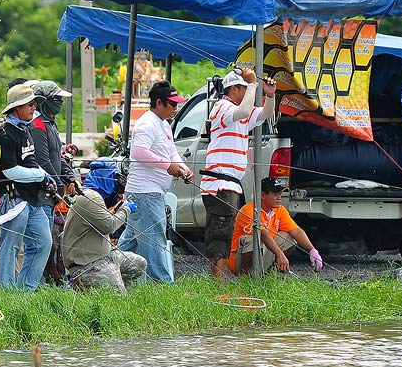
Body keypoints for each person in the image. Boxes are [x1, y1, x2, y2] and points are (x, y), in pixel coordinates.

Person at [201, 68, 277, 283]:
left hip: (230, 183)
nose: (248, 94)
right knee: (220, 231)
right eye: (245, 89)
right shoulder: (223, 107)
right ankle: (218, 283)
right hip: (219, 183)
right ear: (234, 89)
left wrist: (269, 95)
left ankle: (219, 281)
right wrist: (254, 84)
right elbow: (245, 112)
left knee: (225, 230)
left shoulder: (238, 111)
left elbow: (264, 114)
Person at [117, 80, 194, 284]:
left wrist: (183, 169)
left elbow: (171, 153)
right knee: (154, 240)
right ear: (159, 103)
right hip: (145, 193)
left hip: (149, 193)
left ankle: (104, 273)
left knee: (130, 243)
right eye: (172, 104)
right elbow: (139, 152)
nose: (175, 108)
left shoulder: (164, 125)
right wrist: (167, 166)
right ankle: (163, 286)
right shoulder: (146, 123)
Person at [0, 81, 57, 290]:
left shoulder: (26, 129)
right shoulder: (5, 133)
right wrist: (40, 176)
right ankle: (7, 292)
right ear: (16, 108)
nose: (33, 108)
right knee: (10, 247)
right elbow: (10, 171)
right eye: (29, 104)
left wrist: (47, 176)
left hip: (32, 199)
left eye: (34, 104)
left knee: (42, 243)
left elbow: (29, 161)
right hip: (13, 199)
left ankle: (26, 291)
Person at [62, 160, 147, 294]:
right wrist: (126, 210)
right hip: (87, 264)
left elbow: (103, 220)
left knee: (139, 264)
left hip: (105, 255)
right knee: (118, 296)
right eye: (117, 186)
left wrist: (119, 209)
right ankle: (87, 287)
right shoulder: (89, 197)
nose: (118, 191)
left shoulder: (93, 196)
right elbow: (109, 225)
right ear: (107, 180)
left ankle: (117, 284)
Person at [29, 80, 79, 281]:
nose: (60, 102)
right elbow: (43, 161)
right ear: (44, 101)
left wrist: (70, 178)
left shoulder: (50, 122)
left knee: (49, 240)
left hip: (53, 191)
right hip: (42, 193)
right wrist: (58, 187)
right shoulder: (37, 125)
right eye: (56, 99)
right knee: (42, 241)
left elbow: (57, 156)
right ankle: (44, 279)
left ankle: (48, 278)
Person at [228, 177, 322, 275]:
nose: (279, 197)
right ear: (263, 195)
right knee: (254, 240)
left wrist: (312, 250)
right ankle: (245, 278)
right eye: (276, 194)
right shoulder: (249, 210)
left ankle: (268, 276)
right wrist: (280, 254)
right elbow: (263, 234)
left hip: (264, 254)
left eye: (280, 194)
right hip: (237, 262)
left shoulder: (280, 210)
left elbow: (296, 230)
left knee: (288, 237)